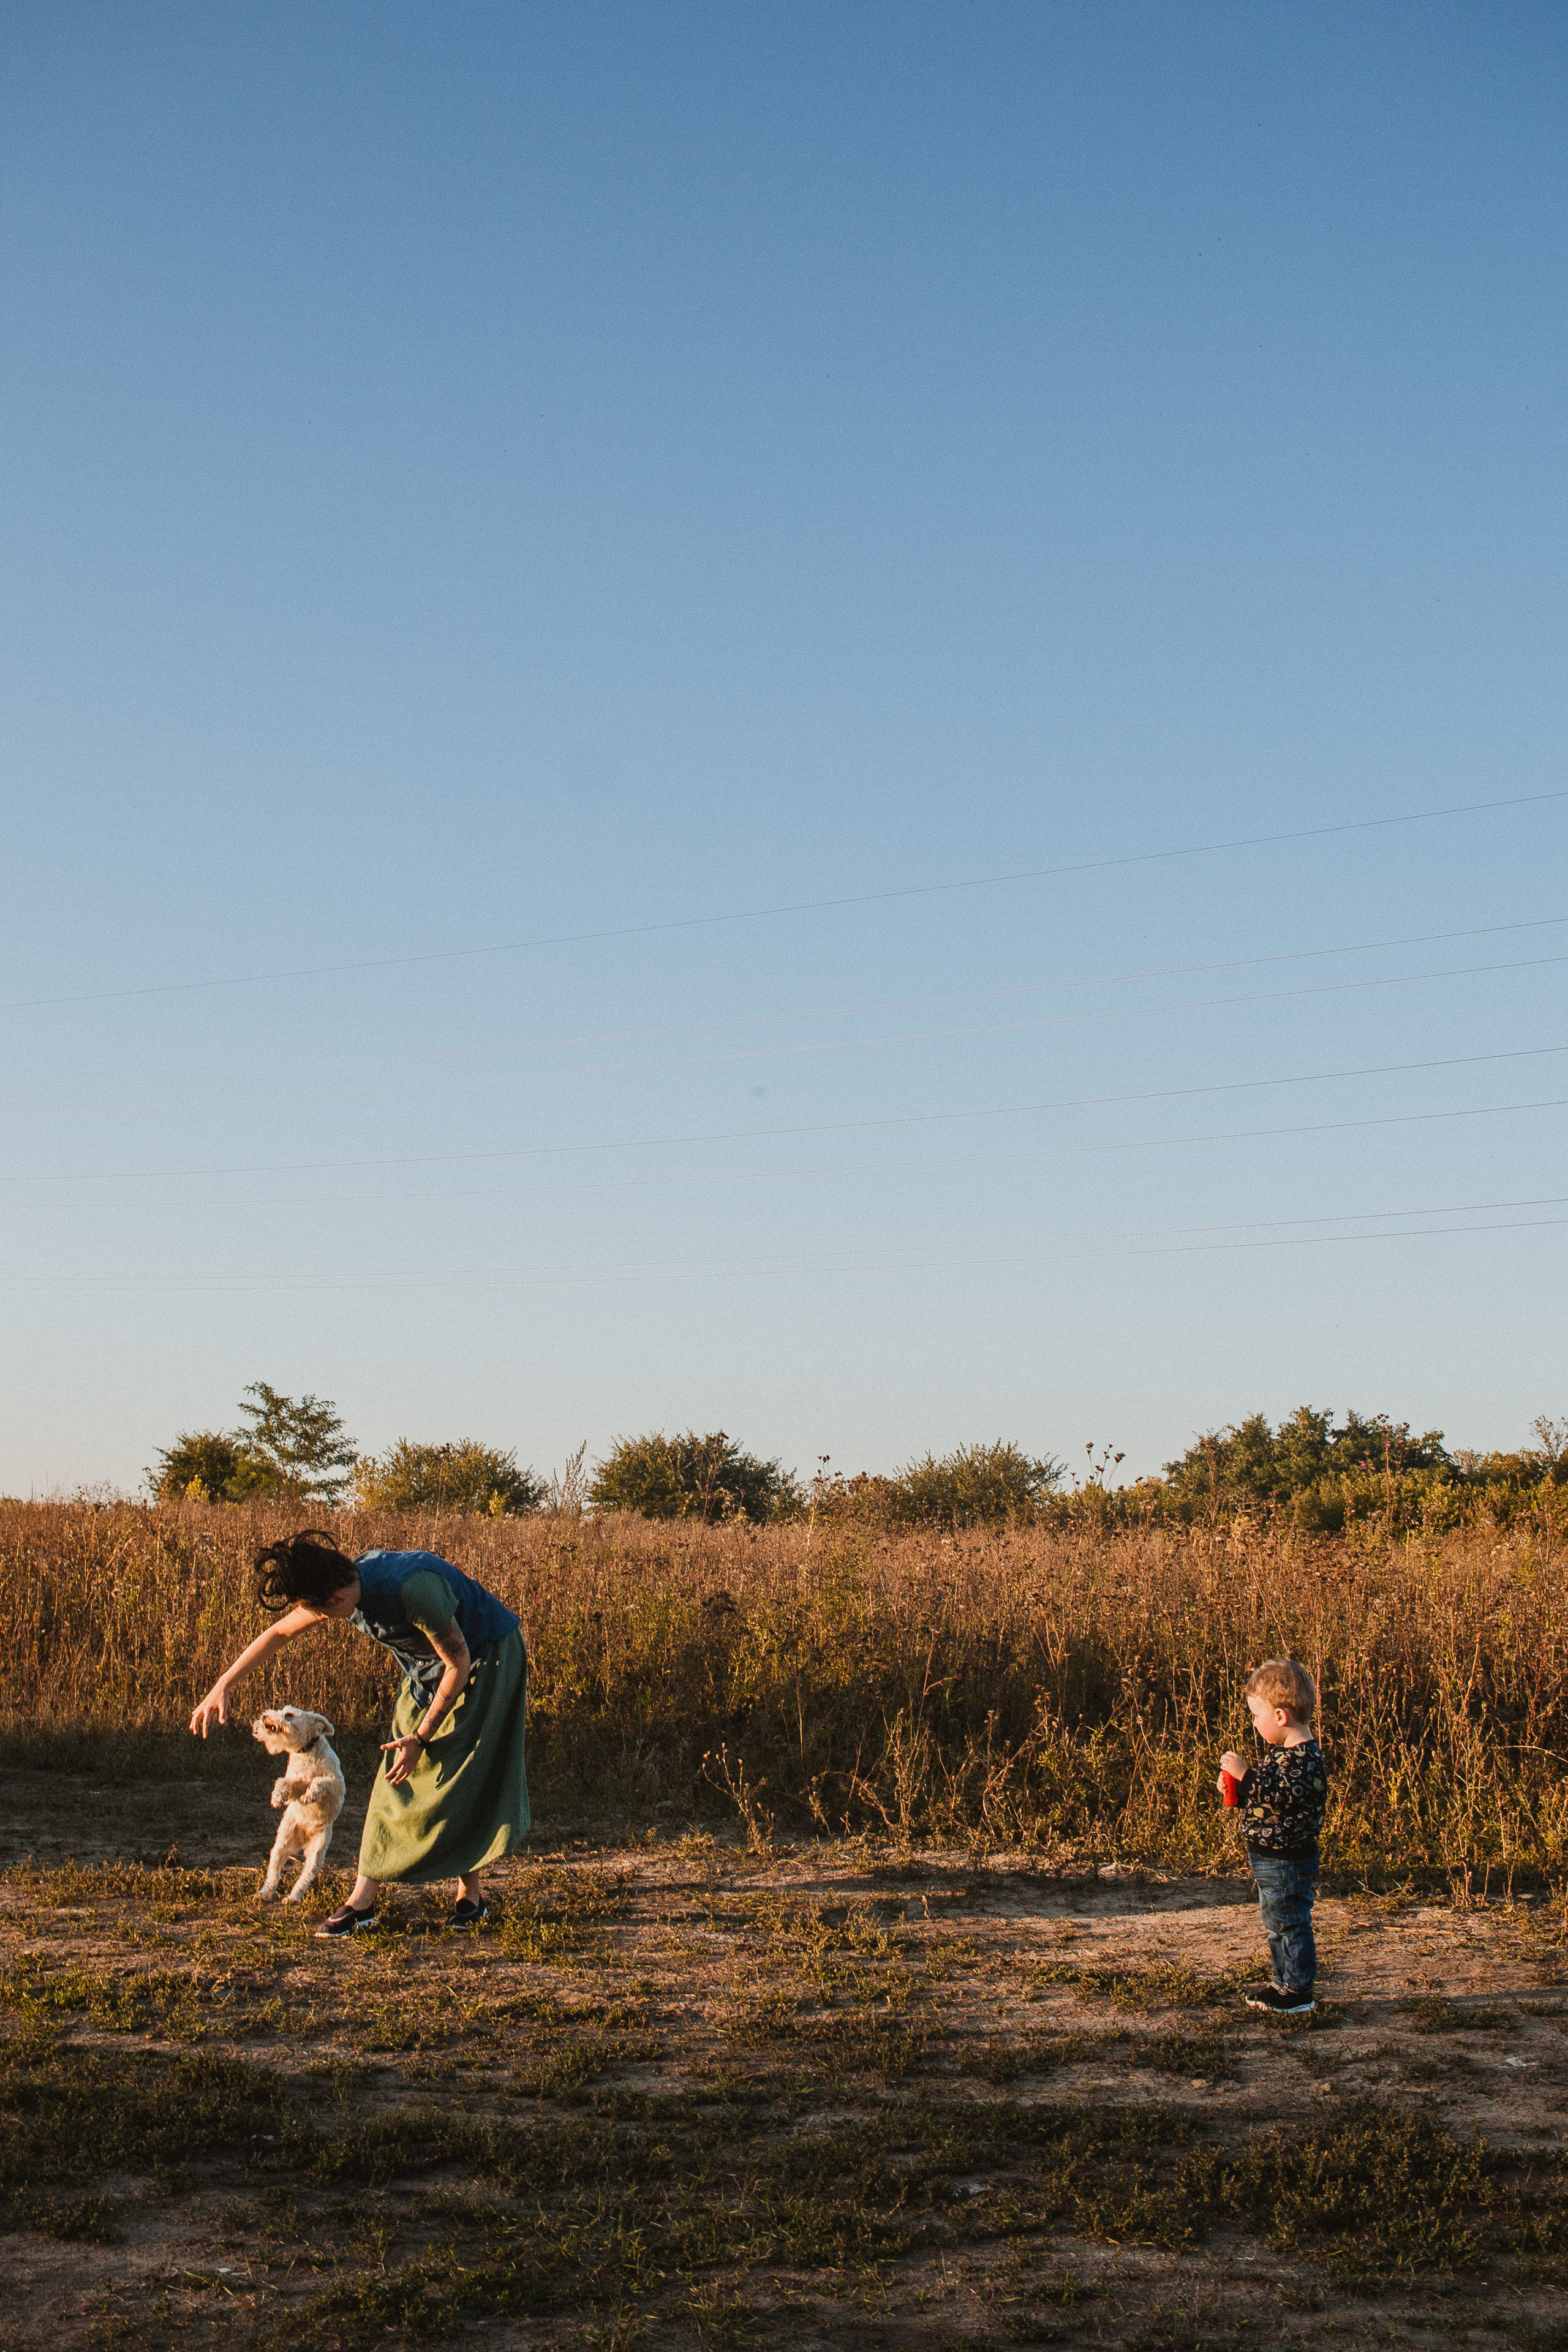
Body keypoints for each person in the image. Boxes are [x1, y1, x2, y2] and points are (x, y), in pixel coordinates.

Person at [190, 1530, 529, 1937]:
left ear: (334, 1599)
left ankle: (393, 1900)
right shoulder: (344, 1586)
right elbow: (278, 1633)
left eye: (318, 1611)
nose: (320, 1619)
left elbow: (459, 1661)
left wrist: (420, 1739)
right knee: (404, 1778)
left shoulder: (413, 1589)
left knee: (454, 1774)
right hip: (429, 1671)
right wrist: (222, 1685)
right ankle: (411, 1902)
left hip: (486, 1657)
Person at [1218, 1656, 1329, 2016]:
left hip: (1287, 1859)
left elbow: (1278, 1794)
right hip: (1270, 1856)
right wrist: (1236, 1786)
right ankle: (1282, 1982)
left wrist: (1246, 1774)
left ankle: (1298, 1990)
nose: (1254, 1723)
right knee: (1276, 1923)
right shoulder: (1283, 1755)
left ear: (1281, 1716)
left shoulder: (1304, 1759)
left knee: (1289, 1922)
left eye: (1255, 1715)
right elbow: (1267, 1796)